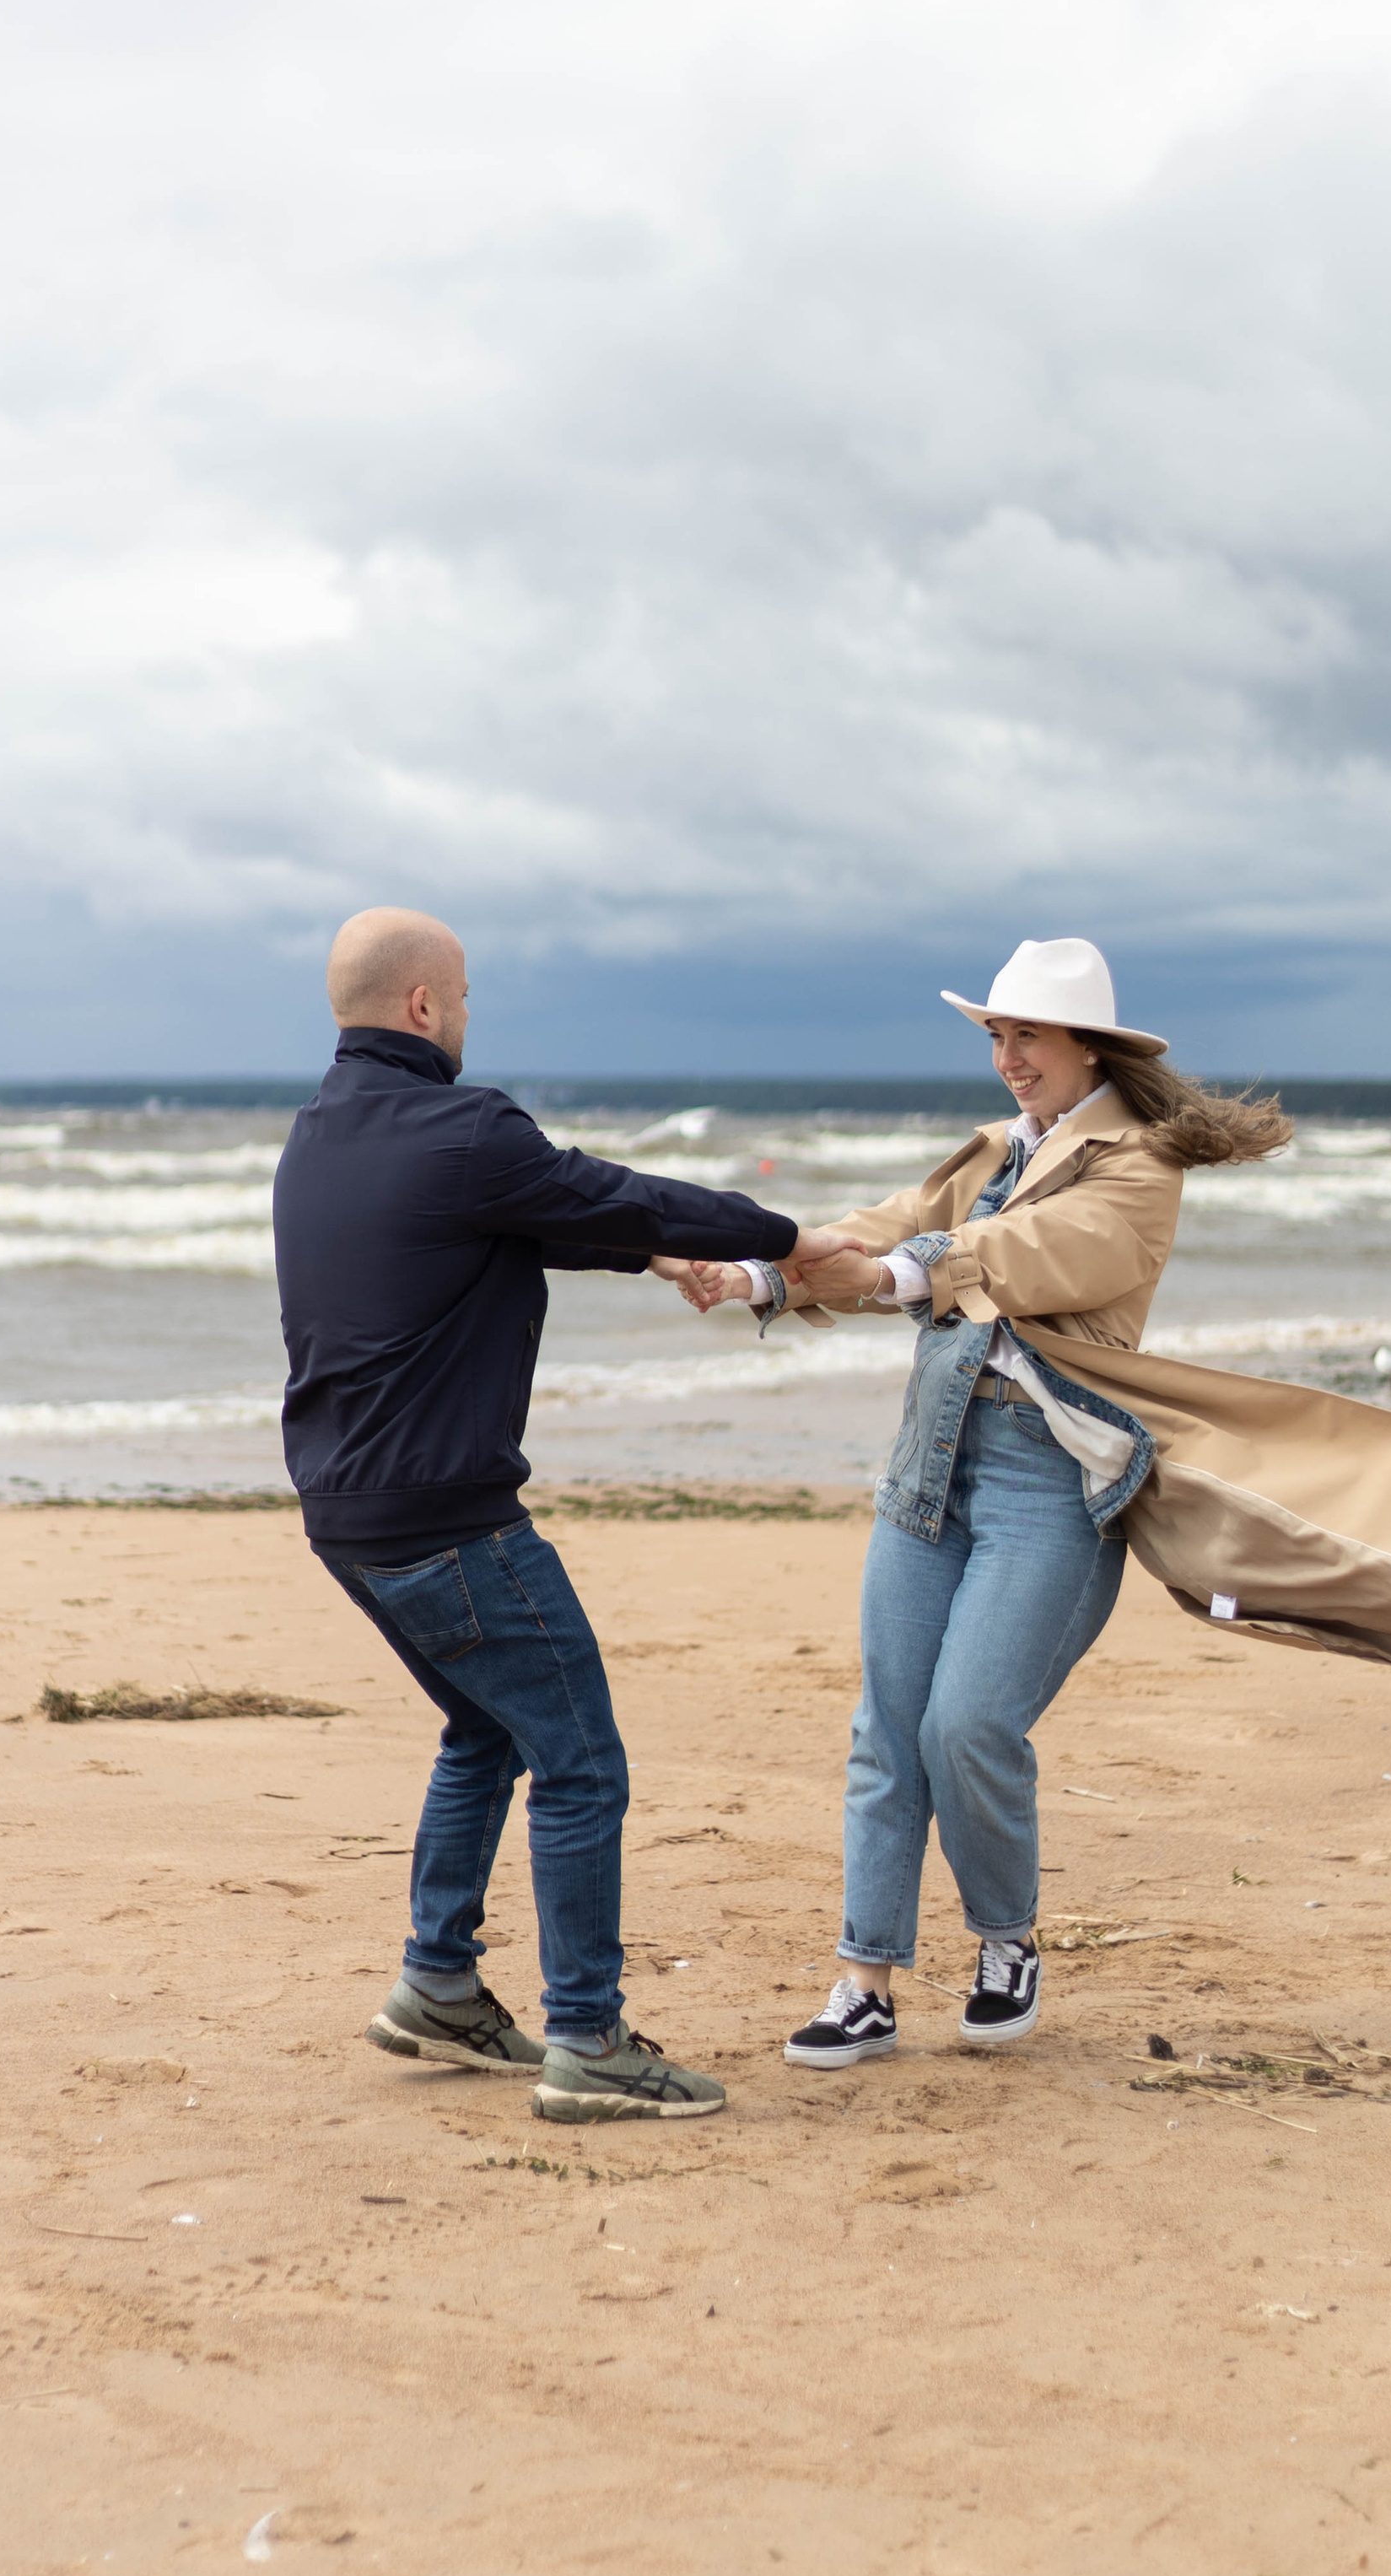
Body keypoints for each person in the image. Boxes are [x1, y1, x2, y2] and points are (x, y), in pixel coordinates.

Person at [673, 936, 1291, 2068]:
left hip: (1048, 1487)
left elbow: (1028, 1255)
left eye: (1028, 1037)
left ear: (1087, 1046)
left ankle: (1007, 1942)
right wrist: (757, 1274)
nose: (1008, 1057)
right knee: (887, 1731)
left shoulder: (1137, 1169)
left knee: (969, 1727)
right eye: (998, 1036)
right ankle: (864, 1982)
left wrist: (902, 1271)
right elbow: (887, 1222)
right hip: (930, 1470)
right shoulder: (995, 1149)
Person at [273, 906, 837, 2125]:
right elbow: (603, 1191)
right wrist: (793, 1236)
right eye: (465, 994)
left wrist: (647, 1259)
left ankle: (438, 1985)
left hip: (345, 1518)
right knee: (578, 1764)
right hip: (450, 1523)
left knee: (484, 1732)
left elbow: (519, 1223)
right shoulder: (465, 1126)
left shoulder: (321, 1134)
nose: (470, 1014)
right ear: (424, 1006)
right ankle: (589, 2039)